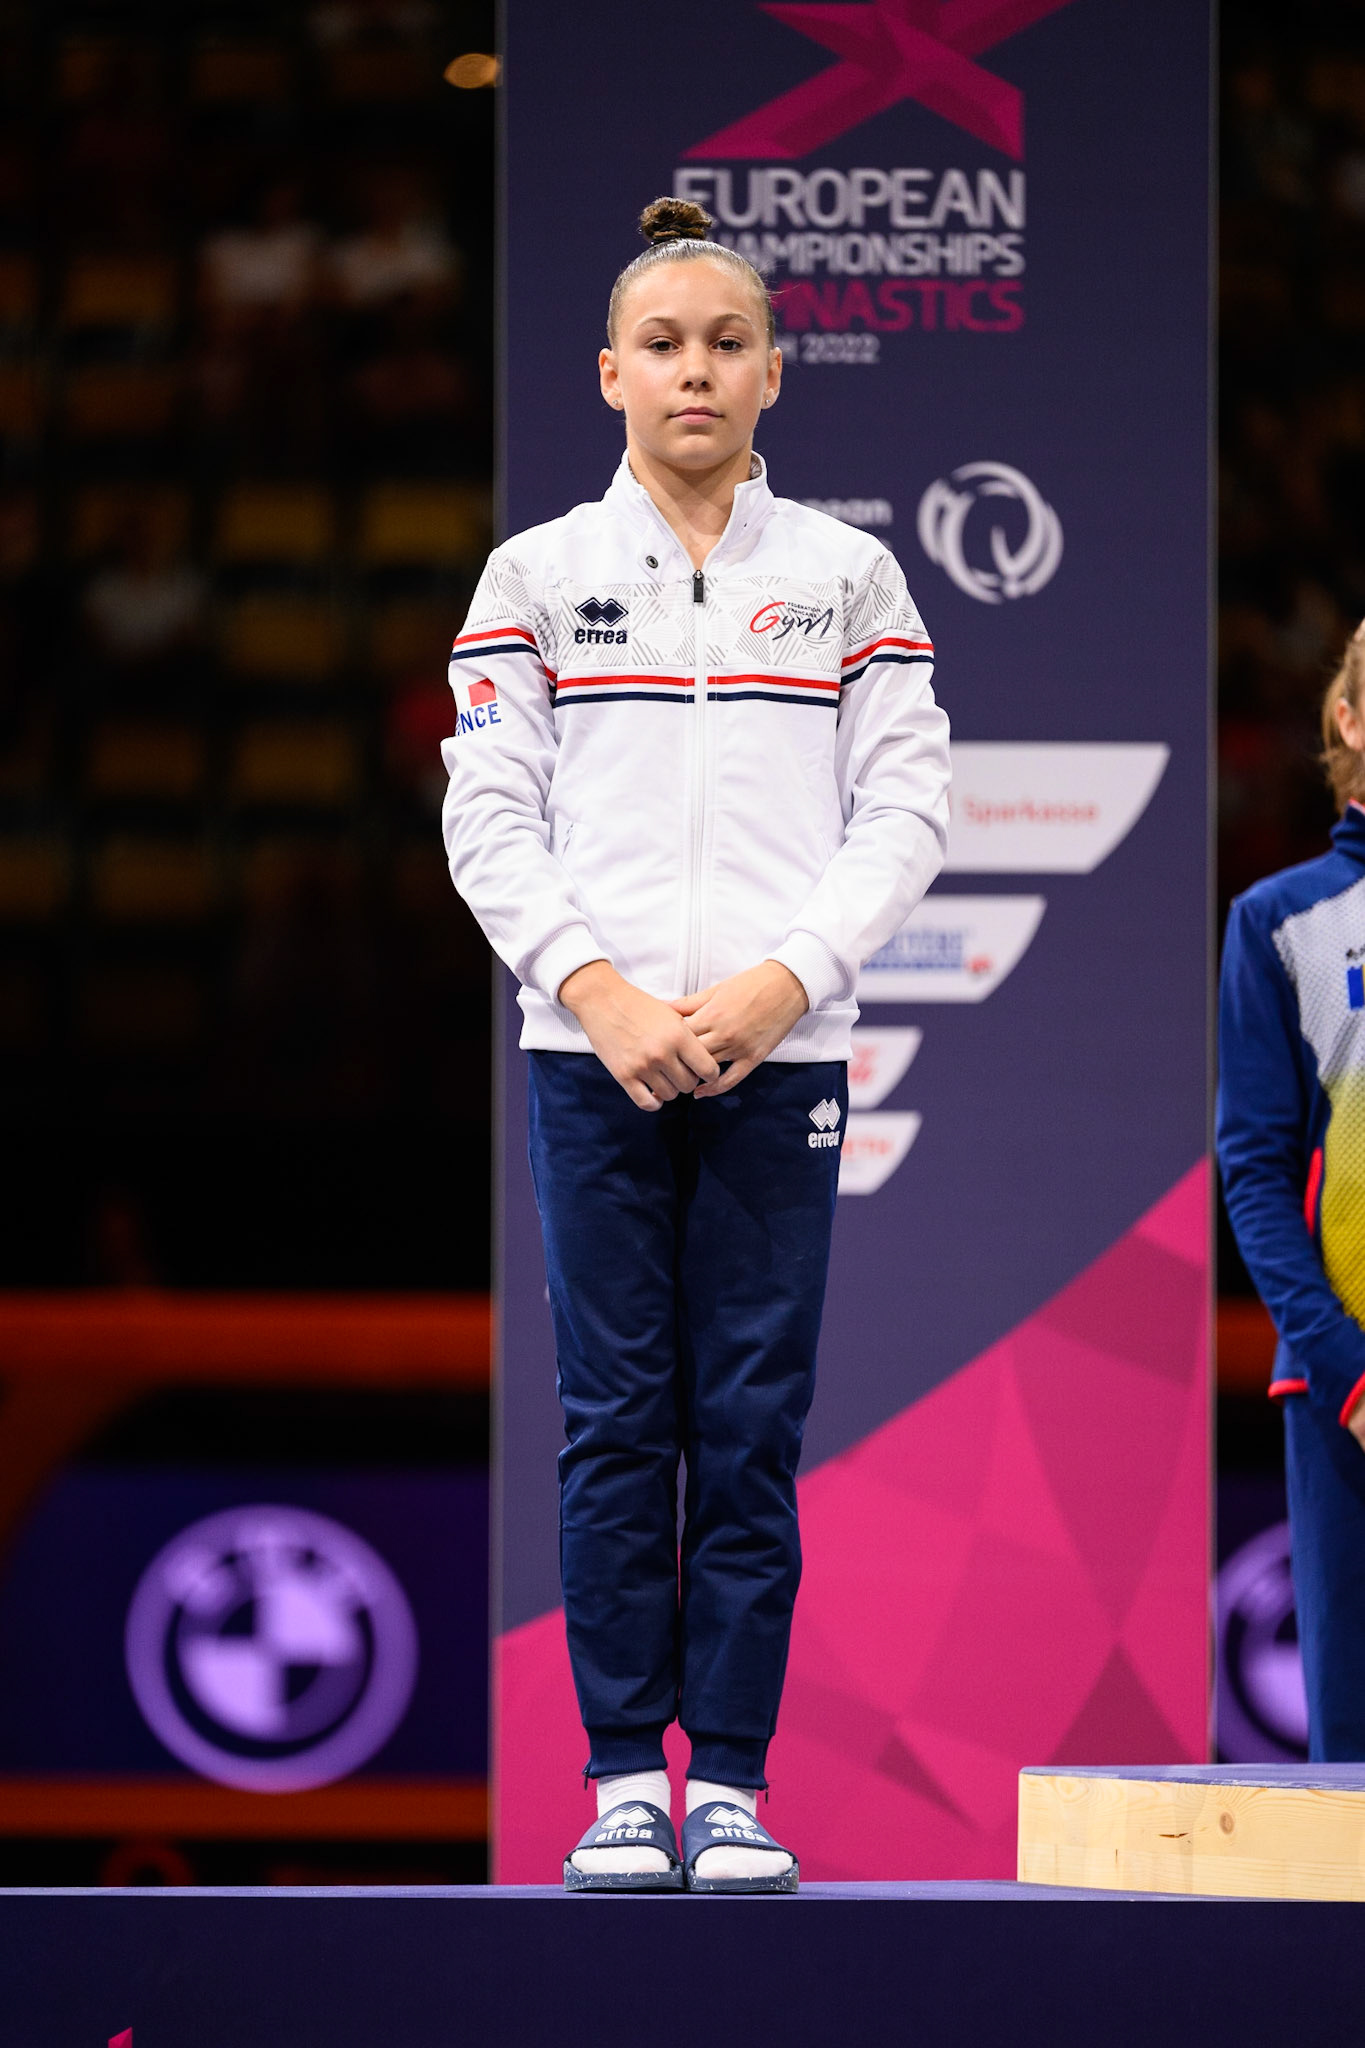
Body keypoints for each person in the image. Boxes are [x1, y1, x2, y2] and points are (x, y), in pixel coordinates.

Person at [442, 198, 951, 1889]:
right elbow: (486, 813)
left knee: (747, 1421)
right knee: (615, 1417)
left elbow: (909, 808)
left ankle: (725, 1776)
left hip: (775, 1059)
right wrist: (596, 992)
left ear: (775, 373)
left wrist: (783, 984)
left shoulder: (848, 576)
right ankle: (618, 1777)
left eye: (727, 343)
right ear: (609, 374)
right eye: (661, 344)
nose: (694, 371)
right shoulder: (535, 576)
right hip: (588, 1056)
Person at [1219, 617, 1365, 1760]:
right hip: (1346, 1389)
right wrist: (1345, 1369)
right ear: (1348, 719)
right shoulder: (1280, 920)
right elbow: (1257, 1170)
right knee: (1352, 1753)